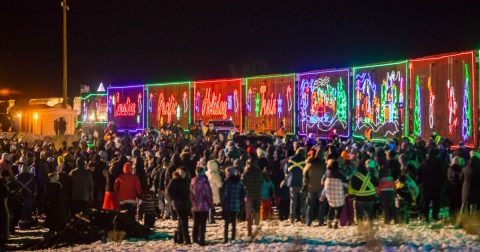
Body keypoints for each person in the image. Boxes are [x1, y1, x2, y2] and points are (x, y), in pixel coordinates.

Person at [419, 148, 446, 222]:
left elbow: (419, 174)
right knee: (436, 202)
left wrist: (420, 183)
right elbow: (442, 174)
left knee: (426, 201)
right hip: (436, 185)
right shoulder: (439, 163)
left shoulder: (424, 163)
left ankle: (425, 216)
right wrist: (443, 183)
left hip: (425, 185)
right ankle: (435, 215)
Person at [349, 158, 378, 223]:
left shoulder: (355, 176)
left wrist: (352, 196)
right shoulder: (370, 174)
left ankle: (360, 226)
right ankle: (370, 225)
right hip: (370, 197)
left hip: (359, 198)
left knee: (359, 215)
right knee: (370, 214)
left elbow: (352, 187)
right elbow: (376, 184)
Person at [190, 167, 213, 246]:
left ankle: (194, 239)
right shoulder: (205, 182)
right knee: (203, 224)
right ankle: (202, 239)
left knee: (196, 223)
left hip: (195, 206)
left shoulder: (192, 181)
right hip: (204, 205)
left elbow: (190, 194)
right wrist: (210, 204)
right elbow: (208, 194)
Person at [167, 168, 191, 244]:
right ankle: (186, 239)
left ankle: (179, 238)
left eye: (184, 172)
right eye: (181, 172)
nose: (182, 174)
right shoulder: (175, 180)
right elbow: (169, 191)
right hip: (178, 204)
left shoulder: (186, 180)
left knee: (181, 221)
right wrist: (177, 199)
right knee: (184, 221)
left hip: (186, 203)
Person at [303, 149, 326, 226]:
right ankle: (321, 220)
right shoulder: (324, 165)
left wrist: (305, 184)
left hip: (311, 187)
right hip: (320, 187)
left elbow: (305, 174)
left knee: (310, 204)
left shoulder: (310, 163)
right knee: (321, 204)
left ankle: (308, 221)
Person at [221, 167, 245, 243]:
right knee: (234, 223)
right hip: (236, 203)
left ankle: (225, 238)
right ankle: (233, 237)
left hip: (227, 204)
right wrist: (239, 200)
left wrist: (222, 202)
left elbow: (225, 194)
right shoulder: (240, 182)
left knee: (227, 223)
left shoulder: (227, 182)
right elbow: (243, 193)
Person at [242, 158, 263, 237]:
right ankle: (257, 227)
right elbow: (261, 181)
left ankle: (249, 231)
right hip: (257, 194)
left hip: (248, 194)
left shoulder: (246, 173)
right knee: (257, 210)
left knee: (249, 213)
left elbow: (242, 182)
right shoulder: (259, 172)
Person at [323, 159, 347, 229]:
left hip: (329, 194)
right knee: (340, 207)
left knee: (331, 206)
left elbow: (322, 181)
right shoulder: (340, 174)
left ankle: (329, 221)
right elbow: (346, 184)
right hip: (338, 194)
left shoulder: (327, 173)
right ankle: (336, 222)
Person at [285, 148, 306, 223]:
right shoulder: (304, 160)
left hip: (292, 182)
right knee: (303, 201)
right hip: (301, 183)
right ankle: (303, 217)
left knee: (293, 201)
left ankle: (292, 217)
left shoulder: (290, 159)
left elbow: (286, 171)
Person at [15, 162, 37, 229]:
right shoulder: (31, 176)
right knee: (28, 209)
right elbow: (35, 187)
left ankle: (21, 225)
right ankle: (28, 225)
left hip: (20, 195)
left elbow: (15, 186)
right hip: (29, 195)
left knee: (21, 210)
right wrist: (35, 193)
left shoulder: (17, 176)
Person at [206, 159, 222, 224]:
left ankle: (208, 218)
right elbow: (219, 184)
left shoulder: (206, 173)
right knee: (212, 205)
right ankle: (211, 219)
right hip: (214, 190)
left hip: (206, 190)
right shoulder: (216, 174)